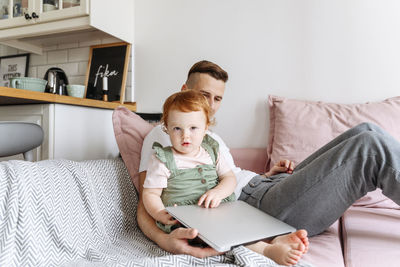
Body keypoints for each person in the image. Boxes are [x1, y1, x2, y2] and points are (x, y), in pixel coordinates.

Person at [137, 60, 400, 258]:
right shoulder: (163, 138)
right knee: (370, 148)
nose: (212, 104)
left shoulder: (207, 137)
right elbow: (146, 198)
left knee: (366, 130)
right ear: (184, 90)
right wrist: (164, 240)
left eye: (218, 98)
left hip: (262, 187)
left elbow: (228, 175)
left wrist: (266, 175)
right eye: (205, 95)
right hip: (254, 206)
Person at [142, 90, 308, 266]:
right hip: (185, 220)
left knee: (243, 220)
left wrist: (219, 192)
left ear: (206, 128)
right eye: (177, 128)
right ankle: (267, 250)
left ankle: (276, 238)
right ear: (166, 128)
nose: (185, 136)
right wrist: (160, 213)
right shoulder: (163, 159)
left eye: (193, 128)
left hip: (218, 209)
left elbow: (229, 178)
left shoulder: (212, 151)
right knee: (222, 235)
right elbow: (150, 194)